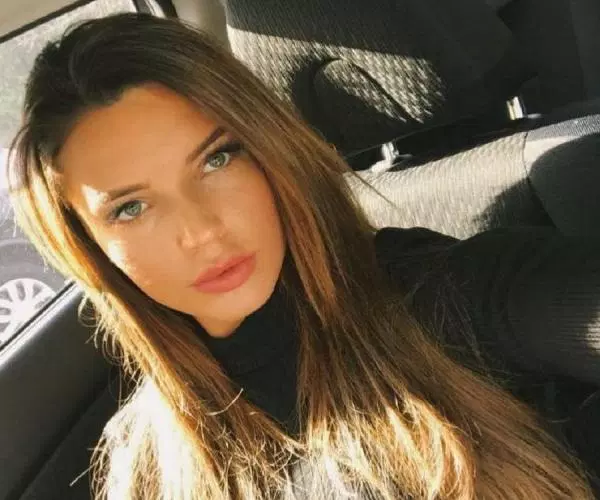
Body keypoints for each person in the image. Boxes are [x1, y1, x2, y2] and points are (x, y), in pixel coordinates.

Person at [7, 13, 600, 500]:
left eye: (217, 159)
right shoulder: (143, 457)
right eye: (131, 208)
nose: (202, 231)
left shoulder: (452, 296)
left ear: (271, 152)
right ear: (88, 247)